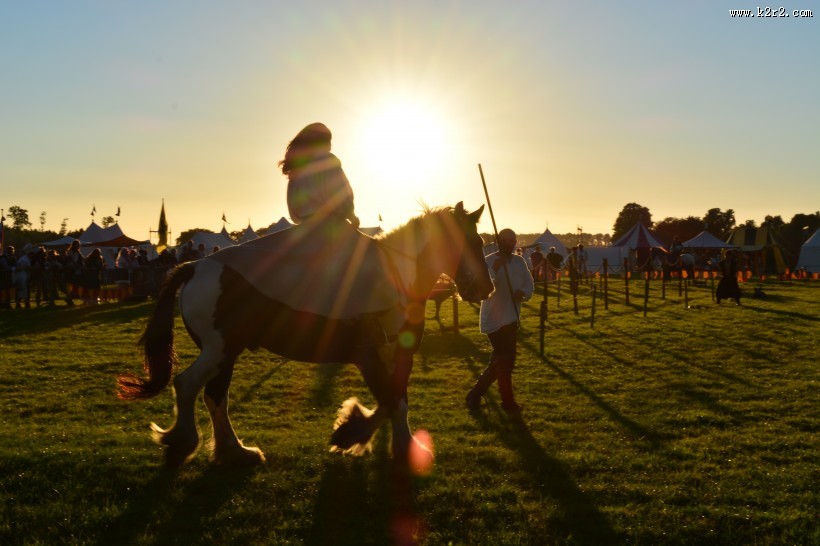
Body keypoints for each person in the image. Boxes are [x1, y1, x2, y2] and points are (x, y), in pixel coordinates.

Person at [466, 228, 534, 414]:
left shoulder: (519, 262)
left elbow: (529, 284)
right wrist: (495, 268)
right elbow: (482, 286)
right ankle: (508, 402)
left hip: (512, 316)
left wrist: (523, 293)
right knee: (505, 360)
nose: (510, 244)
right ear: (499, 241)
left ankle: (475, 394)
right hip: (494, 318)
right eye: (506, 240)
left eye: (513, 240)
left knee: (502, 360)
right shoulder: (488, 261)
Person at [280, 122, 359, 228]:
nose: (331, 145)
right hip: (331, 225)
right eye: (329, 140)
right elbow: (339, 192)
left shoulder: (297, 167)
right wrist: (351, 215)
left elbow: (294, 209)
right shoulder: (327, 160)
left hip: (306, 228)